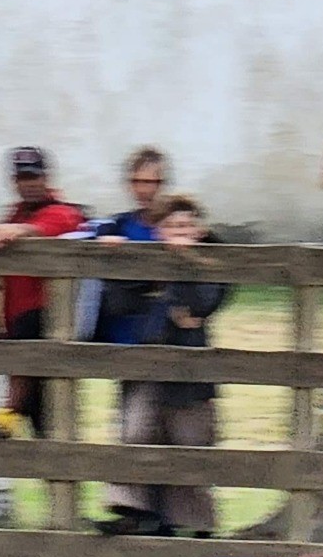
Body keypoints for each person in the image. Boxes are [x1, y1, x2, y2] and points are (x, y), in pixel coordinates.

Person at [95, 193, 230, 538]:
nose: (180, 233)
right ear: (158, 232)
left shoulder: (212, 266)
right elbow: (120, 299)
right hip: (149, 362)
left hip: (191, 370)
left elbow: (203, 303)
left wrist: (176, 283)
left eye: (187, 225)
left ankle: (196, 525)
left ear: (199, 230)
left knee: (189, 441)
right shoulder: (145, 262)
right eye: (172, 227)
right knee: (137, 432)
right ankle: (133, 511)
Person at [0, 146, 87, 437]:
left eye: (34, 176)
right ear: (15, 181)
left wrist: (19, 232)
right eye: (23, 177)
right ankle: (13, 414)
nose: (29, 183)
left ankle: (10, 411)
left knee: (53, 419)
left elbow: (58, 224)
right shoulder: (15, 214)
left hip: (47, 325)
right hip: (16, 323)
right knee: (43, 424)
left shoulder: (62, 211)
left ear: (46, 177)